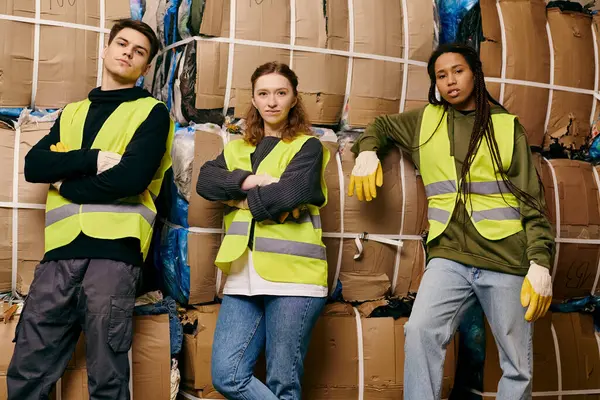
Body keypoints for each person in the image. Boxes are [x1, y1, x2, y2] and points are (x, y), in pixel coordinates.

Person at [348, 43, 554, 399]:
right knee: (421, 331)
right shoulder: (425, 120)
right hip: (449, 258)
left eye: (457, 71)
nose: (450, 81)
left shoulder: (506, 127)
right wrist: (367, 149)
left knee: (517, 364)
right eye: (441, 76)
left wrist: (540, 261)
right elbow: (380, 125)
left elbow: (532, 200)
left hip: (506, 259)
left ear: (475, 72)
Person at [7, 19, 173, 400]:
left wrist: (67, 183)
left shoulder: (152, 112)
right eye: (121, 43)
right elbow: (35, 166)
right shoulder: (72, 113)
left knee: (107, 374)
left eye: (139, 51)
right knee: (29, 367)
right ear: (105, 49)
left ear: (145, 68)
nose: (127, 52)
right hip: (59, 256)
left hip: (114, 257)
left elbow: (130, 180)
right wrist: (94, 157)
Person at [196, 61, 329, 400]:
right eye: (264, 93)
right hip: (242, 276)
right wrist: (251, 181)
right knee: (227, 376)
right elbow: (206, 182)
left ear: (294, 98)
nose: (272, 101)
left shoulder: (307, 147)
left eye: (280, 93)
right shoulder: (236, 149)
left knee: (284, 383)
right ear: (253, 100)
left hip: (295, 280)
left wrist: (238, 201)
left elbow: (291, 193)